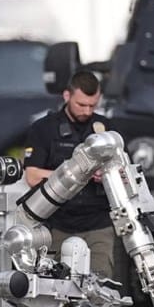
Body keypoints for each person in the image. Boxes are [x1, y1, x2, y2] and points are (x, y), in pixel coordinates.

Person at [23, 71, 116, 279]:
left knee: (101, 288)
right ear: (67, 96)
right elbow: (32, 176)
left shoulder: (106, 129)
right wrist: (77, 173)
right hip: (57, 225)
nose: (87, 111)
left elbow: (122, 172)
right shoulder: (44, 129)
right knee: (56, 290)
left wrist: (107, 174)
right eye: (81, 105)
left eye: (93, 105)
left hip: (97, 224)